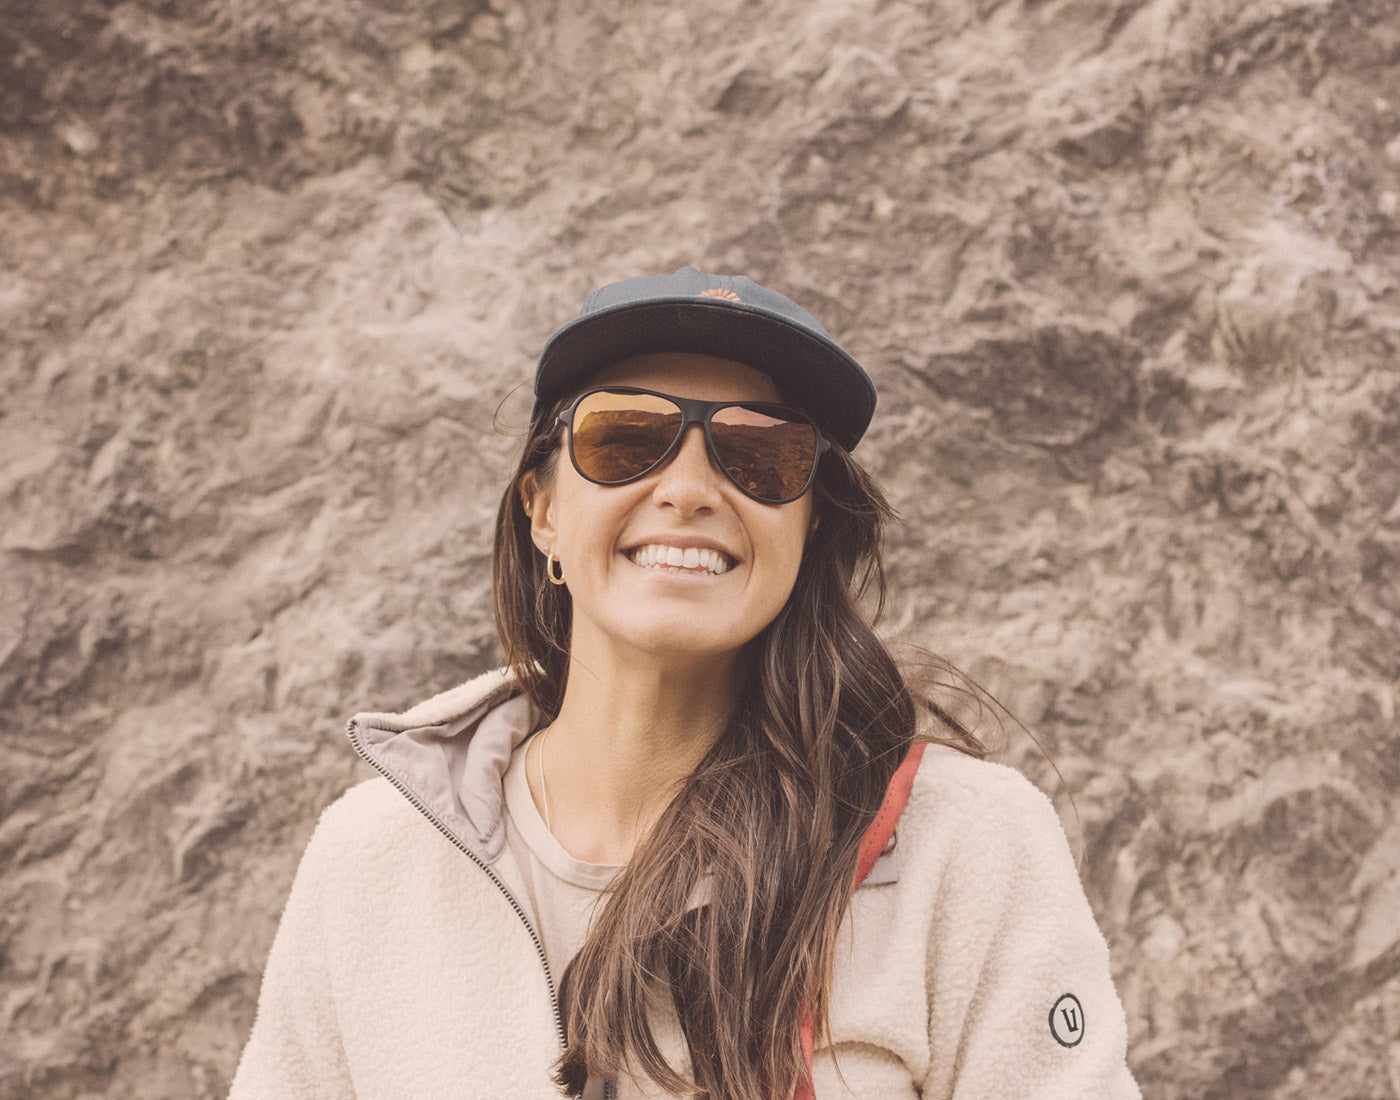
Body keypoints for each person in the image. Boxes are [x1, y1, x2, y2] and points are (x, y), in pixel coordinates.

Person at [230, 267, 1140, 1099]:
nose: (690, 488)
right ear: (542, 511)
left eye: (761, 455)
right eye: (625, 438)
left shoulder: (962, 844)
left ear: (810, 528)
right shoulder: (373, 855)